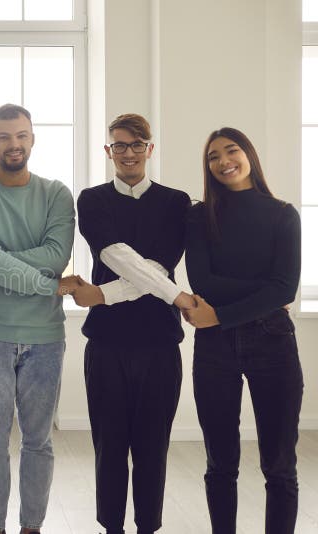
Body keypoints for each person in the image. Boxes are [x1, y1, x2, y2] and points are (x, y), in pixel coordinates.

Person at [59, 114, 193, 534]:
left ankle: (147, 527)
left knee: (153, 447)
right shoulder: (93, 199)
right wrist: (172, 292)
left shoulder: (176, 202)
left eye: (137, 145)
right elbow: (116, 255)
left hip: (159, 343)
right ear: (109, 151)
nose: (129, 153)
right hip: (107, 344)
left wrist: (102, 294)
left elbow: (159, 267)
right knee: (109, 446)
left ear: (150, 149)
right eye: (120, 145)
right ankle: (111, 527)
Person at [0, 103, 74, 534]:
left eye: (21, 135)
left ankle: (31, 527)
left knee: (38, 442)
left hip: (45, 337)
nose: (13, 144)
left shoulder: (57, 193)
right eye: (4, 137)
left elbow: (57, 255)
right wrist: (46, 283)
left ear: (32, 139)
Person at [185, 127, 302, 534]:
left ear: (248, 154)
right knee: (220, 463)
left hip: (273, 343)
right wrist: (267, 291)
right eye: (212, 156)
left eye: (231, 151)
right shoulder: (199, 216)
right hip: (215, 349)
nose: (222, 161)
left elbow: (286, 288)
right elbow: (203, 282)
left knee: (280, 465)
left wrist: (219, 315)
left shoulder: (284, 214)